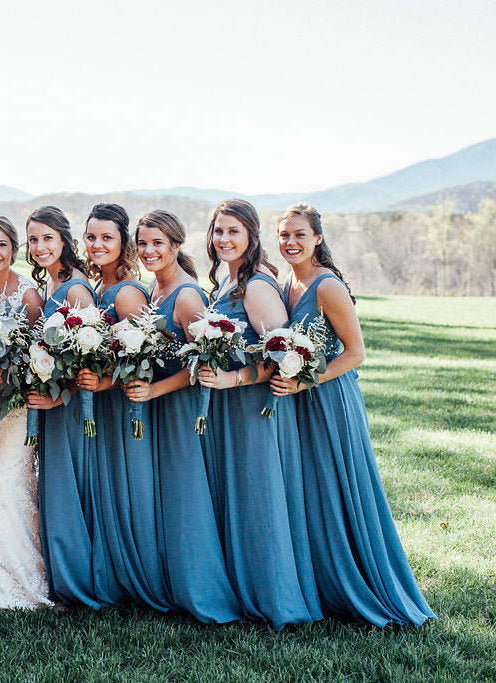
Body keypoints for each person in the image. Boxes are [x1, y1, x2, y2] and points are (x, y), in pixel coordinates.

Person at [273, 203, 436, 627]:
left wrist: (306, 381)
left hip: (327, 398)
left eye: (299, 235)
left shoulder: (327, 286)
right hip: (293, 401)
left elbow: (356, 353)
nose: (290, 242)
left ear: (317, 239)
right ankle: (321, 585)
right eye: (284, 235)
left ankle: (361, 582)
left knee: (337, 486)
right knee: (308, 491)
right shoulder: (282, 281)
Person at [196, 199, 322, 629]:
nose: (224, 240)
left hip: (254, 409)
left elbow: (282, 356)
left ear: (251, 235)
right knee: (236, 498)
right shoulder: (222, 287)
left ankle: (275, 597)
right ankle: (242, 586)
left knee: (260, 498)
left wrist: (232, 381)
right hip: (226, 412)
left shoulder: (256, 286)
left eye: (233, 231)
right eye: (218, 232)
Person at [124, 210, 242, 623]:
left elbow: (203, 365)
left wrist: (155, 388)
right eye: (143, 243)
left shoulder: (187, 295)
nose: (149, 250)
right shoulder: (155, 289)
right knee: (167, 497)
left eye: (158, 243)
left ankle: (201, 591)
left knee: (186, 496)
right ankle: (172, 583)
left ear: (176, 245)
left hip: (177, 409)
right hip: (156, 409)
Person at [77, 203, 170, 609]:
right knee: (107, 488)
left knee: (128, 487)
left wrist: (105, 382)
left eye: (107, 238)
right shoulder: (96, 288)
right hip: (102, 404)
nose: (98, 244)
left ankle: (140, 575)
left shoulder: (128, 291)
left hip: (122, 405)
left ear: (123, 242)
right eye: (92, 237)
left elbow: (146, 356)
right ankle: (111, 572)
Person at [0, 216, 52, 611]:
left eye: (1, 245)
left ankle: (16, 577)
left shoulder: (28, 293)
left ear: (14, 250)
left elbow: (41, 358)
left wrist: (11, 372)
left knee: (7, 481)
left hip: (15, 407)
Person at [24, 205, 101, 609]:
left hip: (69, 409)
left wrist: (56, 396)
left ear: (64, 240)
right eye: (33, 239)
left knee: (69, 490)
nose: (39, 246)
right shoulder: (52, 286)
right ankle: (61, 577)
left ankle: (76, 583)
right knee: (55, 489)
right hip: (51, 407)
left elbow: (92, 357)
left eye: (47, 238)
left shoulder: (76, 288)